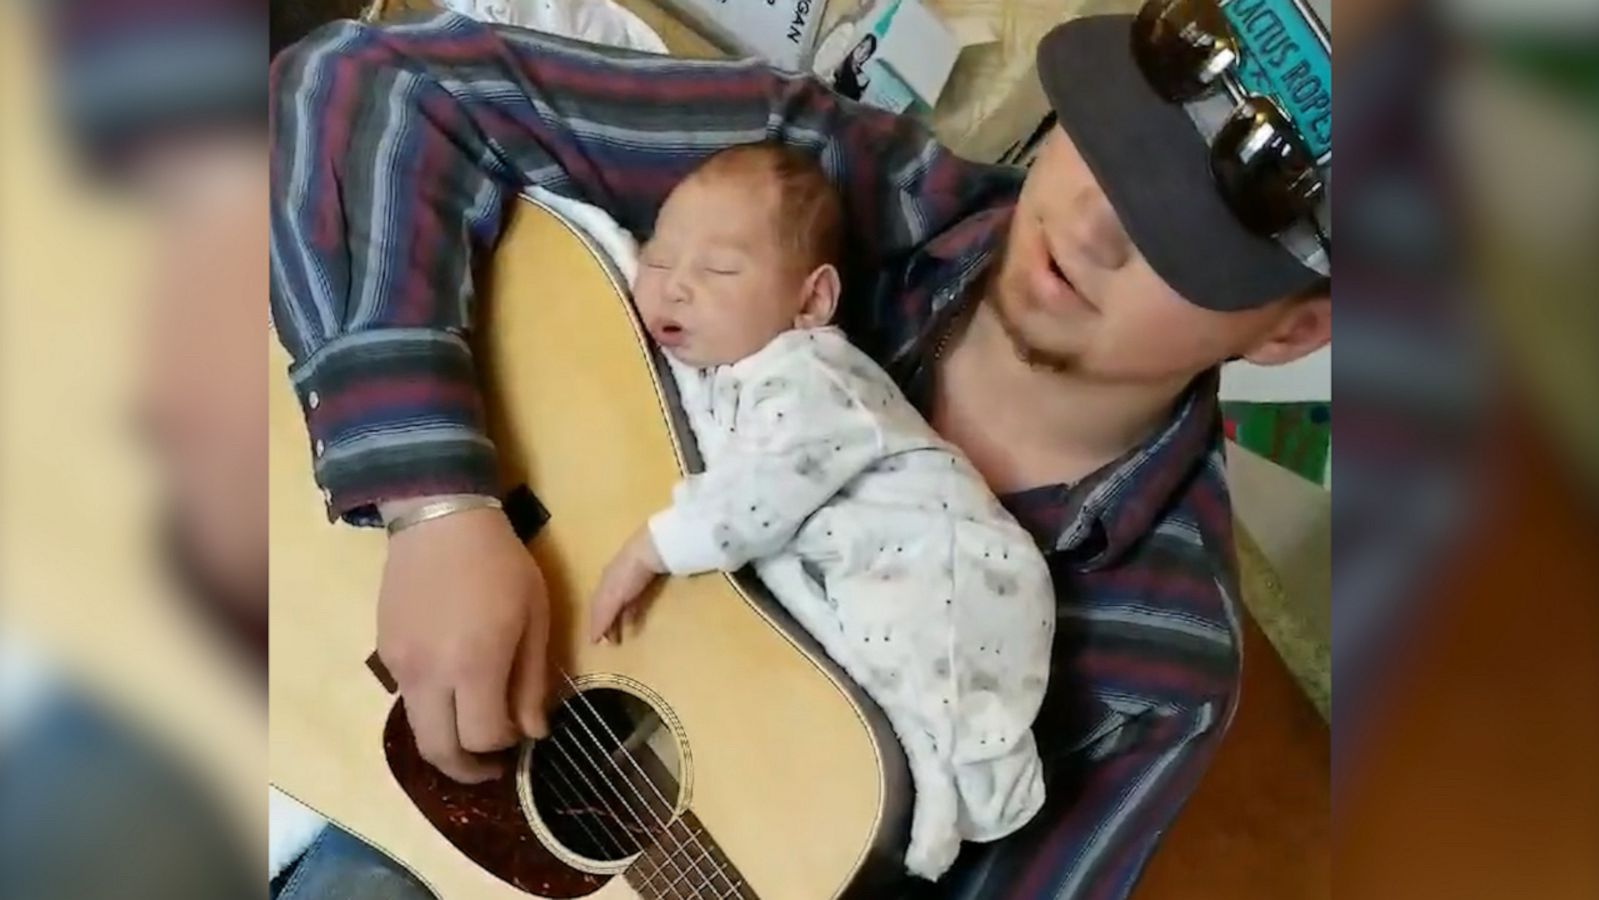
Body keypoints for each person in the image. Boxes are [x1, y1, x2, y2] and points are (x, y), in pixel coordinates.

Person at [268, 0, 1332, 894]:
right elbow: (366, 84)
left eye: (1178, 237)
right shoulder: (827, 181)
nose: (1095, 221)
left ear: (1288, 330)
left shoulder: (1161, 675)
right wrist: (436, 505)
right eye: (1106, 136)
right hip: (312, 639)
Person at [585, 143, 1054, 879]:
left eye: (718, 271)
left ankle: (949, 775)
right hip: (881, 554)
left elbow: (760, 494)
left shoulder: (813, 374)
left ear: (810, 302)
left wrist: (648, 549)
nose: (674, 288)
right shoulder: (729, 362)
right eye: (659, 258)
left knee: (916, 673)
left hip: (952, 556)